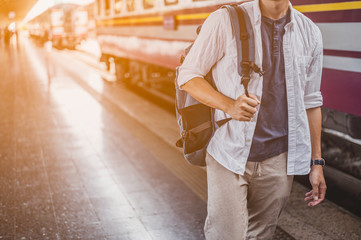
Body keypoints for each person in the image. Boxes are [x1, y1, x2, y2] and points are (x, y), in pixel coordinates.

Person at [177, 0, 327, 239]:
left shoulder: (309, 32)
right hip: (228, 151)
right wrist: (229, 106)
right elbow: (187, 75)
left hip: (278, 160)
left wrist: (316, 163)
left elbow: (311, 101)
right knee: (226, 235)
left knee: (262, 235)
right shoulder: (224, 20)